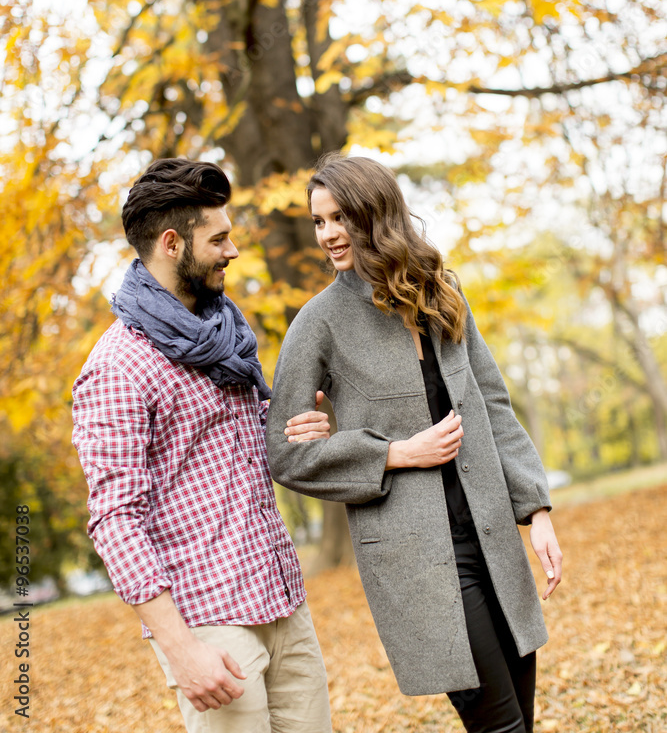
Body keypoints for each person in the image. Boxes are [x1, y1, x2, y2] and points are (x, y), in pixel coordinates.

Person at [265, 153, 563, 733]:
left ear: (375, 213)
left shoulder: (441, 293)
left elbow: (492, 404)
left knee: (521, 718)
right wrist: (395, 453)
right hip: (419, 560)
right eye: (318, 221)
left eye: (337, 218)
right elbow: (285, 452)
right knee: (499, 725)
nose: (326, 234)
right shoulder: (317, 323)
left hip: (492, 536)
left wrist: (538, 510)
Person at [72, 158, 333, 733]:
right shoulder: (118, 366)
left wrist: (297, 425)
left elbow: (245, 442)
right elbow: (115, 519)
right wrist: (180, 648)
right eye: (218, 238)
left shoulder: (224, 333)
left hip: (282, 598)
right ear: (172, 243)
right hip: (209, 622)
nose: (233, 250)